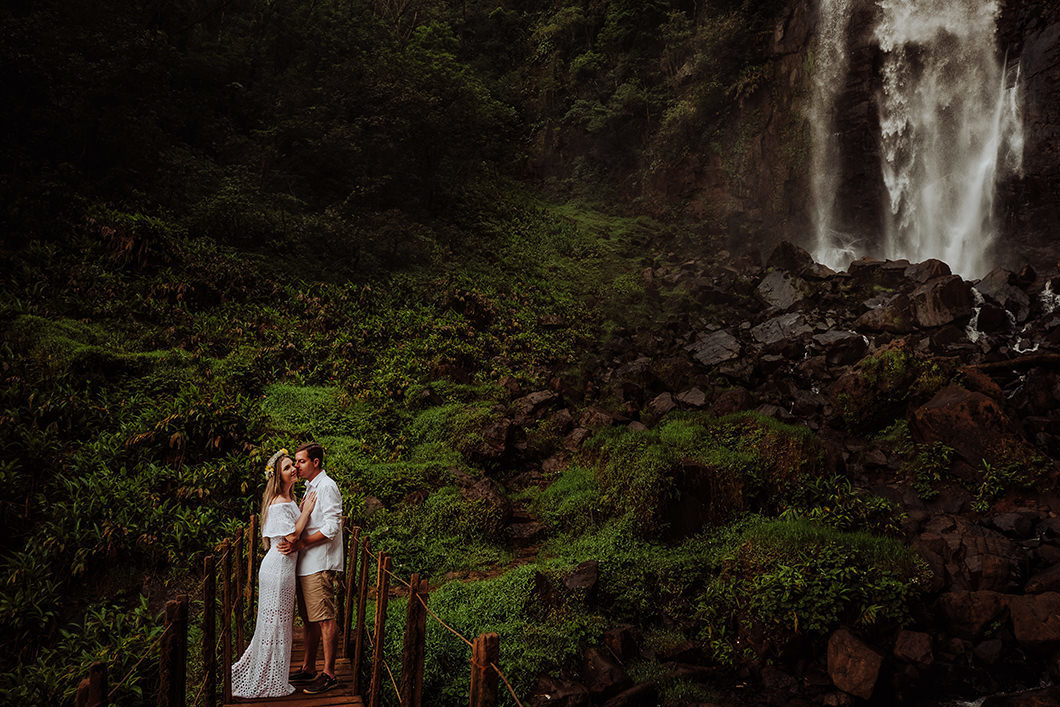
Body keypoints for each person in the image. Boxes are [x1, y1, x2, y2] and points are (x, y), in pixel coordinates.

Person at [230, 449, 316, 698]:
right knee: (274, 624)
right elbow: (290, 537)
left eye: (293, 466)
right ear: (279, 476)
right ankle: (267, 677)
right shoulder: (278, 502)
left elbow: (293, 529)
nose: (294, 470)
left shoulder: (288, 500)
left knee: (280, 623)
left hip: (284, 569)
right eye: (288, 467)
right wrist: (307, 511)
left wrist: (300, 508)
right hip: (277, 570)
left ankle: (273, 672)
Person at [280, 441, 344, 694]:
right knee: (309, 619)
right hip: (306, 563)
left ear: (315, 462)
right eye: (295, 462)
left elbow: (331, 527)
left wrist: (302, 544)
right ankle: (308, 667)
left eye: (301, 461)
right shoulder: (309, 487)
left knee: (325, 619)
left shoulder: (327, 487)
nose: (297, 466)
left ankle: (329, 673)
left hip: (320, 563)